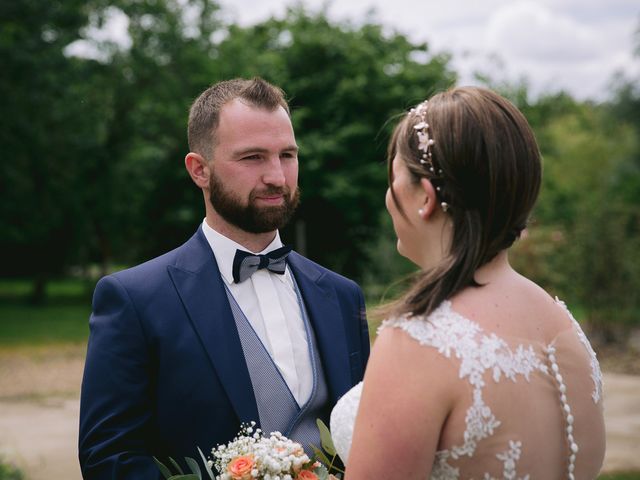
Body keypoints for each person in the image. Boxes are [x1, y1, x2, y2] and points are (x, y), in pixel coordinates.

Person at [79, 77, 370, 479]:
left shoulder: (341, 295)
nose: (277, 177)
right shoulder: (134, 300)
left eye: (287, 155)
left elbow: (367, 437)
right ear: (199, 169)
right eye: (253, 157)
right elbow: (109, 458)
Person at [329, 86, 605, 479]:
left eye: (393, 181)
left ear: (424, 198)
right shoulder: (566, 329)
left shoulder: (419, 339)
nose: (388, 198)